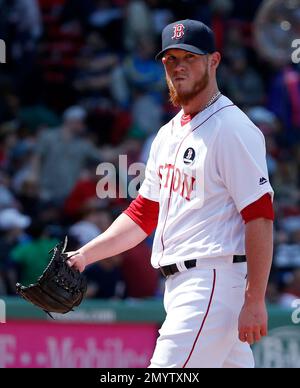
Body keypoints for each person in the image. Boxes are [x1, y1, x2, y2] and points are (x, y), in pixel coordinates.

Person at [67, 20, 274, 368]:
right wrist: (85, 256)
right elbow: (143, 214)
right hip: (182, 287)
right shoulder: (166, 135)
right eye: (170, 59)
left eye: (189, 57)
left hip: (211, 282)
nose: (178, 66)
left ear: (214, 61)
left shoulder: (232, 129)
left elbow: (260, 217)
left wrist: (255, 298)